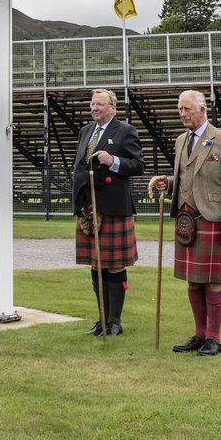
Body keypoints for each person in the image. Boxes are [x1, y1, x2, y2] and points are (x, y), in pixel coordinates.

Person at [149, 89, 221, 356]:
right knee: (193, 281)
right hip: (186, 222)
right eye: (180, 109)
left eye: (187, 109)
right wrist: (168, 183)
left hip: (212, 219)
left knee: (212, 281)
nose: (182, 114)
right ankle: (199, 335)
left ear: (202, 110)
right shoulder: (181, 140)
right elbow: (185, 178)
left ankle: (214, 338)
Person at [71, 88, 144, 337]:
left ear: (113, 107)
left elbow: (138, 165)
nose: (94, 108)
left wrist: (113, 161)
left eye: (99, 104)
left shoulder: (125, 131)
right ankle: (102, 319)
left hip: (113, 207)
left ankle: (114, 322)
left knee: (114, 266)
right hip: (88, 207)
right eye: (92, 104)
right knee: (96, 264)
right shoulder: (85, 131)